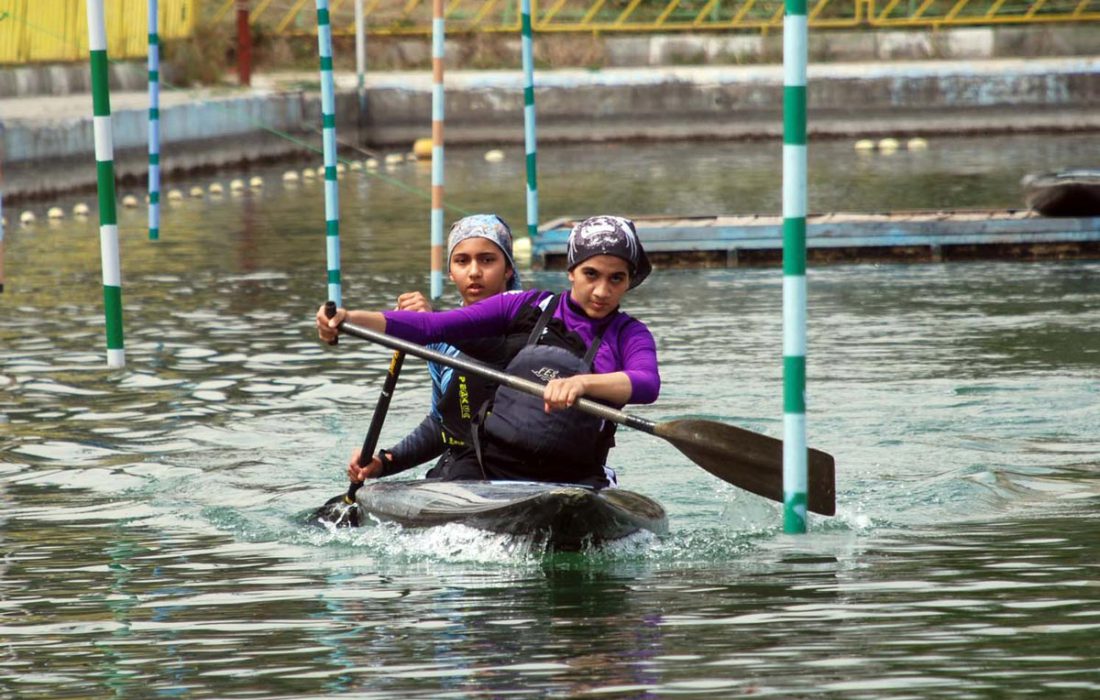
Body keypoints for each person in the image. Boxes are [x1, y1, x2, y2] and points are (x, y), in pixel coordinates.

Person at [318, 214, 660, 489]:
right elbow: (431, 328)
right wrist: (349, 319)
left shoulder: (630, 333)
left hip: (577, 473)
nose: (602, 291)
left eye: (616, 279)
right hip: (491, 466)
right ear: (570, 272)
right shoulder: (527, 305)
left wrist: (583, 385)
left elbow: (646, 383)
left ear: (629, 281)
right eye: (591, 274)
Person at [351, 214, 521, 481]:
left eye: (487, 260)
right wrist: (384, 462)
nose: (474, 271)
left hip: (523, 465)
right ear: (451, 273)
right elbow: (445, 425)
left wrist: (430, 321)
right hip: (467, 466)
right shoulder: (440, 342)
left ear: (508, 269)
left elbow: (496, 348)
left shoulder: (530, 316)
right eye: (462, 261)